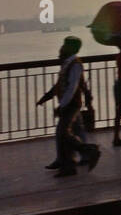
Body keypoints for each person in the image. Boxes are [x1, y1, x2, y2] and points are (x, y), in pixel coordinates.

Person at [37, 36, 100, 176]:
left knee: (63, 133)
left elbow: (72, 87)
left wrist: (62, 105)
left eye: (64, 45)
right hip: (69, 104)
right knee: (71, 131)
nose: (61, 47)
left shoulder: (75, 64)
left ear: (70, 48)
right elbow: (60, 84)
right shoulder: (67, 63)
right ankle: (66, 162)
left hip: (72, 104)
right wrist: (47, 96)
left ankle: (87, 152)